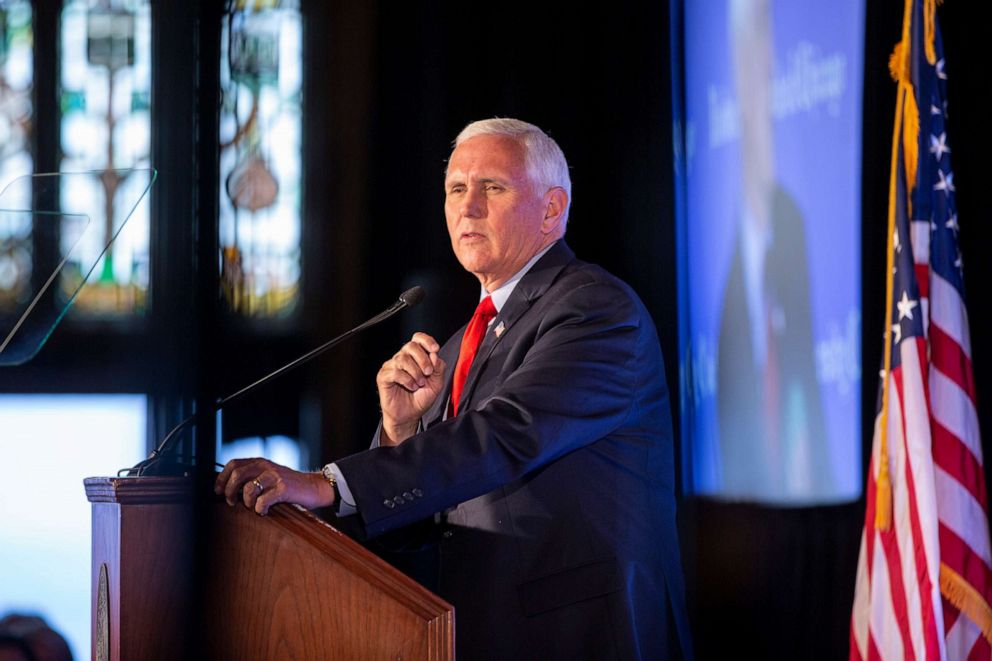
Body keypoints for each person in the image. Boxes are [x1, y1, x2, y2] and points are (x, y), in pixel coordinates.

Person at [216, 118, 692, 660]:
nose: (468, 207)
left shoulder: (596, 311)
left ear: (552, 209)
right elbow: (420, 522)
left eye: (493, 187)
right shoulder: (461, 342)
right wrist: (399, 429)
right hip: (478, 631)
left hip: (579, 636)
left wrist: (329, 483)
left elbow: (506, 436)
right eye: (457, 189)